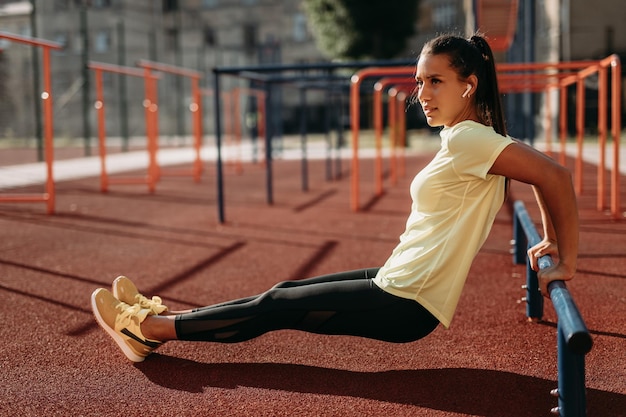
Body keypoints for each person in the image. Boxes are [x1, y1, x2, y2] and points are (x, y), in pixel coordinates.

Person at [91, 33, 579, 363]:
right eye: (419, 81)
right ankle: (160, 322)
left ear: (468, 85)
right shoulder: (471, 136)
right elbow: (545, 178)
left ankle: (150, 331)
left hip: (407, 301)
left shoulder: (470, 139)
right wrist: (549, 240)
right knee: (281, 294)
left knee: (277, 303)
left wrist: (566, 258)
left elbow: (555, 176)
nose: (422, 93)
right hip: (399, 282)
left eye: (435, 81)